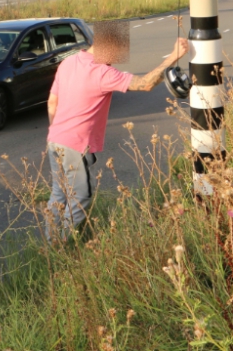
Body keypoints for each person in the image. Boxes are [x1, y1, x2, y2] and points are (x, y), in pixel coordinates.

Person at [45, 27, 188, 233]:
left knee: (59, 195)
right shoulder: (102, 72)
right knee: (80, 199)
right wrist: (173, 57)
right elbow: (145, 84)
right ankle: (62, 245)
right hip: (74, 145)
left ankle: (51, 243)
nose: (116, 61)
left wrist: (55, 133)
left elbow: (52, 102)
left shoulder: (69, 63)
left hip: (55, 139)